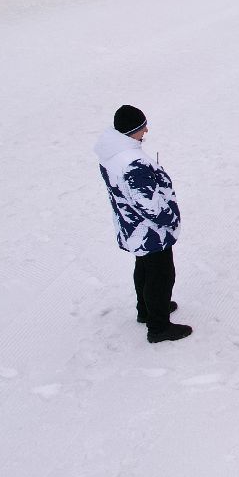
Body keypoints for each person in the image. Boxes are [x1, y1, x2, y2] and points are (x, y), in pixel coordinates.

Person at [95, 105, 191, 343]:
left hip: (132, 226)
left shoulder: (111, 154)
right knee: (161, 275)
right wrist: (170, 218)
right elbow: (149, 206)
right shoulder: (133, 163)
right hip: (150, 231)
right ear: (130, 131)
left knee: (144, 268)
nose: (146, 130)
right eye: (142, 128)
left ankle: (146, 310)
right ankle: (158, 328)